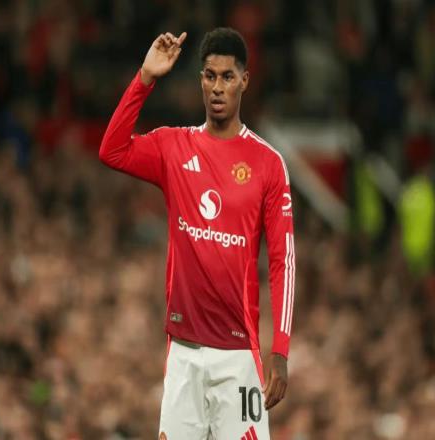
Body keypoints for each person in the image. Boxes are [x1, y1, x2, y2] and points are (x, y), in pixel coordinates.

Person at [100, 27, 295, 440]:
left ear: (244, 80)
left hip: (238, 358)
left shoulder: (268, 163)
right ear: (200, 80)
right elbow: (112, 150)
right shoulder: (174, 147)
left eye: (227, 76)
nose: (217, 87)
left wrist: (280, 349)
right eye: (209, 76)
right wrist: (145, 78)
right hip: (183, 354)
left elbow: (283, 261)